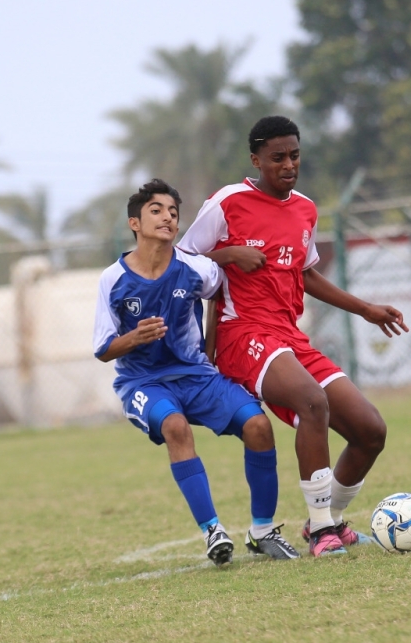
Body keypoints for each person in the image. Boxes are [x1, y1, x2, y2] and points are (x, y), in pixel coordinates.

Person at [179, 115, 408, 557]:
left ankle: (328, 522)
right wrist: (228, 253)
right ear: (256, 159)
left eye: (295, 155)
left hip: (289, 338)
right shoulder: (228, 202)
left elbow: (306, 274)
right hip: (240, 333)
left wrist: (366, 309)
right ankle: (323, 532)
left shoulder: (305, 208)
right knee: (312, 401)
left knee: (369, 430)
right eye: (277, 157)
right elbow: (182, 261)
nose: (288, 164)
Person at [93, 179, 299, 566]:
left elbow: (219, 293)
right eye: (157, 210)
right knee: (175, 426)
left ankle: (262, 530)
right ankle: (212, 530)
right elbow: (104, 349)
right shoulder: (113, 279)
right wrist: (135, 337)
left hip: (198, 376)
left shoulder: (193, 268)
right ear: (134, 222)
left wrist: (210, 351)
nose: (168, 217)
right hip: (143, 382)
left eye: (173, 212)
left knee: (258, 426)